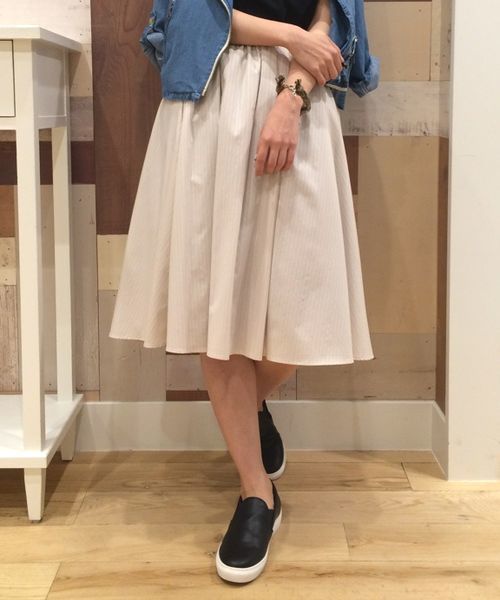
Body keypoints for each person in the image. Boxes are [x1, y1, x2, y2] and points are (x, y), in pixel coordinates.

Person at [109, 0, 376, 584]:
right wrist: (290, 36)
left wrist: (293, 94)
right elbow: (188, 10)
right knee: (219, 307)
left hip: (302, 95)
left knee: (303, 303)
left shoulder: (299, 88)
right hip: (214, 92)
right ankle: (258, 494)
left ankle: (249, 406)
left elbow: (334, 15)